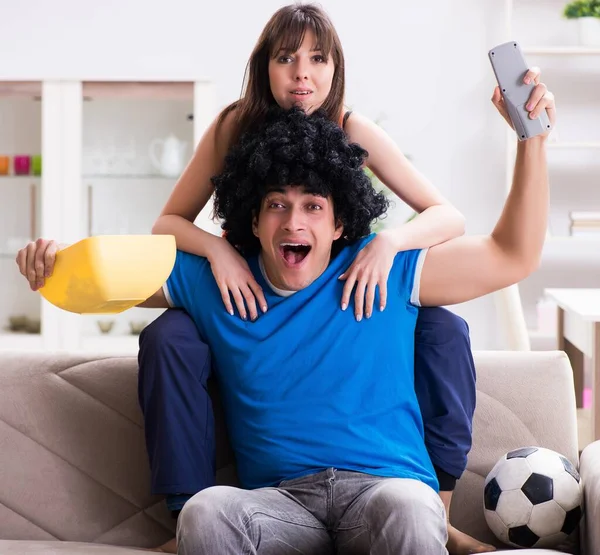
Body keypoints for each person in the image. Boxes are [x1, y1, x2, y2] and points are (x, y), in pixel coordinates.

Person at [17, 78, 555, 554]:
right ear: (253, 216)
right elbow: (104, 278)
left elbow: (513, 254)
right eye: (277, 204)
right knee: (204, 515)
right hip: (278, 504)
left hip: (382, 493)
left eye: (313, 206)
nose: (293, 221)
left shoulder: (386, 271)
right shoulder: (220, 282)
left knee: (415, 511)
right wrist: (48, 267)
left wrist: (531, 140)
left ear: (341, 222)